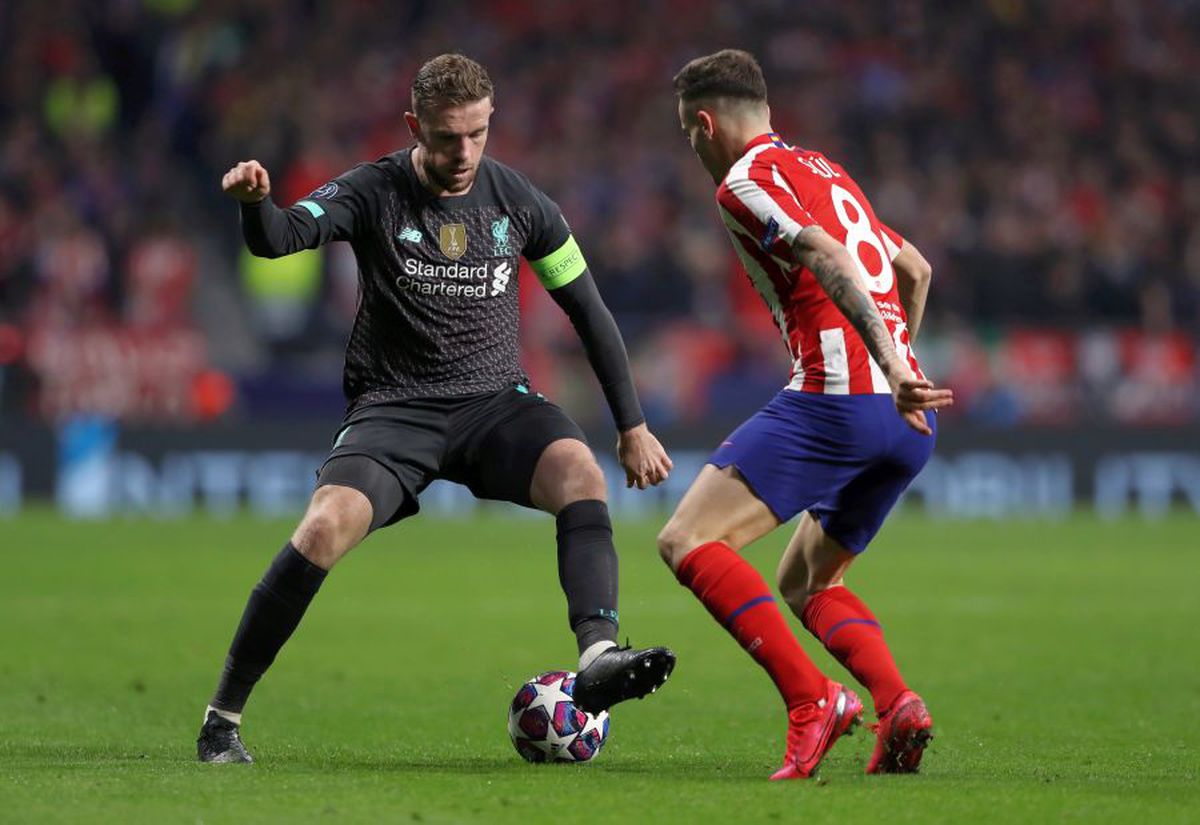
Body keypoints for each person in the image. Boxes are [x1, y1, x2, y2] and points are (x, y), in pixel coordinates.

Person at [197, 54, 676, 763]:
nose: (464, 153)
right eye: (449, 136)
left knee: (580, 470)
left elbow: (589, 311)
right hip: (397, 410)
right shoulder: (373, 190)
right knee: (323, 527)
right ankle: (222, 718)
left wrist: (631, 425)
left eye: (478, 134)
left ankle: (600, 654)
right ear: (414, 125)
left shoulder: (522, 202)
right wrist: (253, 204)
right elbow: (280, 239)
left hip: (494, 404)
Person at [659, 49, 954, 780]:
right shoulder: (823, 170)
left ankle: (811, 699)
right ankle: (896, 704)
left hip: (838, 398)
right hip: (905, 421)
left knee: (688, 540)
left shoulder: (743, 181)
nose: (691, 149)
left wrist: (883, 364)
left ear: (704, 123)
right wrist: (902, 371)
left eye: (686, 134)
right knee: (809, 582)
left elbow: (821, 253)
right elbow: (913, 267)